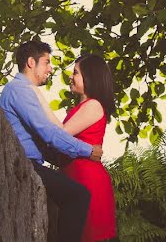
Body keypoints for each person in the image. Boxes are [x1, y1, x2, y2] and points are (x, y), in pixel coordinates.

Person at [0, 40, 103, 242]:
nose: (51, 68)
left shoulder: (22, 90)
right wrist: (88, 150)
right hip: (24, 164)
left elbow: (39, 139)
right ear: (31, 62)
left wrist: (59, 159)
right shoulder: (19, 90)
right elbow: (48, 133)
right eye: (46, 62)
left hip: (30, 163)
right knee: (78, 196)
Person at [46, 54, 117, 242]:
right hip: (76, 178)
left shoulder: (93, 105)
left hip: (87, 181)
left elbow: (60, 134)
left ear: (89, 78)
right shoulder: (82, 107)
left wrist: (38, 103)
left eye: (76, 73)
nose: (71, 76)